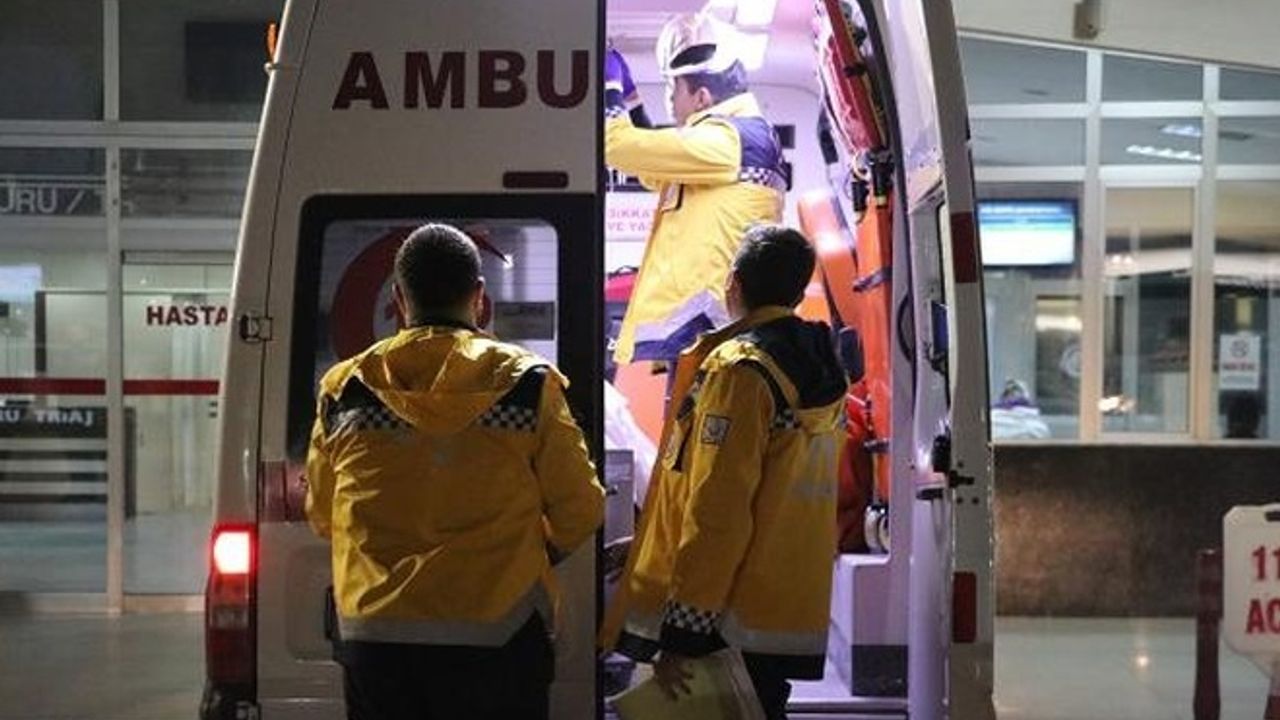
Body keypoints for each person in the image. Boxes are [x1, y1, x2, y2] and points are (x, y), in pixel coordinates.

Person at [304, 223, 605, 720]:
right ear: (479, 298)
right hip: (500, 635)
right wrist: (536, 552)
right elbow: (582, 508)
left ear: (399, 299)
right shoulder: (527, 385)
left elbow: (322, 512)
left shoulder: (345, 389)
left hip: (376, 640)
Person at [601, 225, 847, 719]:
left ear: (733, 282)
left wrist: (683, 634)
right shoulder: (823, 368)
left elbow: (719, 512)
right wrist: (646, 544)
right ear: (799, 292)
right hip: (779, 610)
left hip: (722, 619)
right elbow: (771, 494)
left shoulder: (740, 370)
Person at [604, 11, 787, 370]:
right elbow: (651, 169)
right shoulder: (735, 141)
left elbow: (614, 145)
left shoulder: (727, 140)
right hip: (710, 332)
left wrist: (608, 86)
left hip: (710, 332)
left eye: (674, 91)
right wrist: (631, 100)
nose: (671, 103)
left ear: (702, 97)